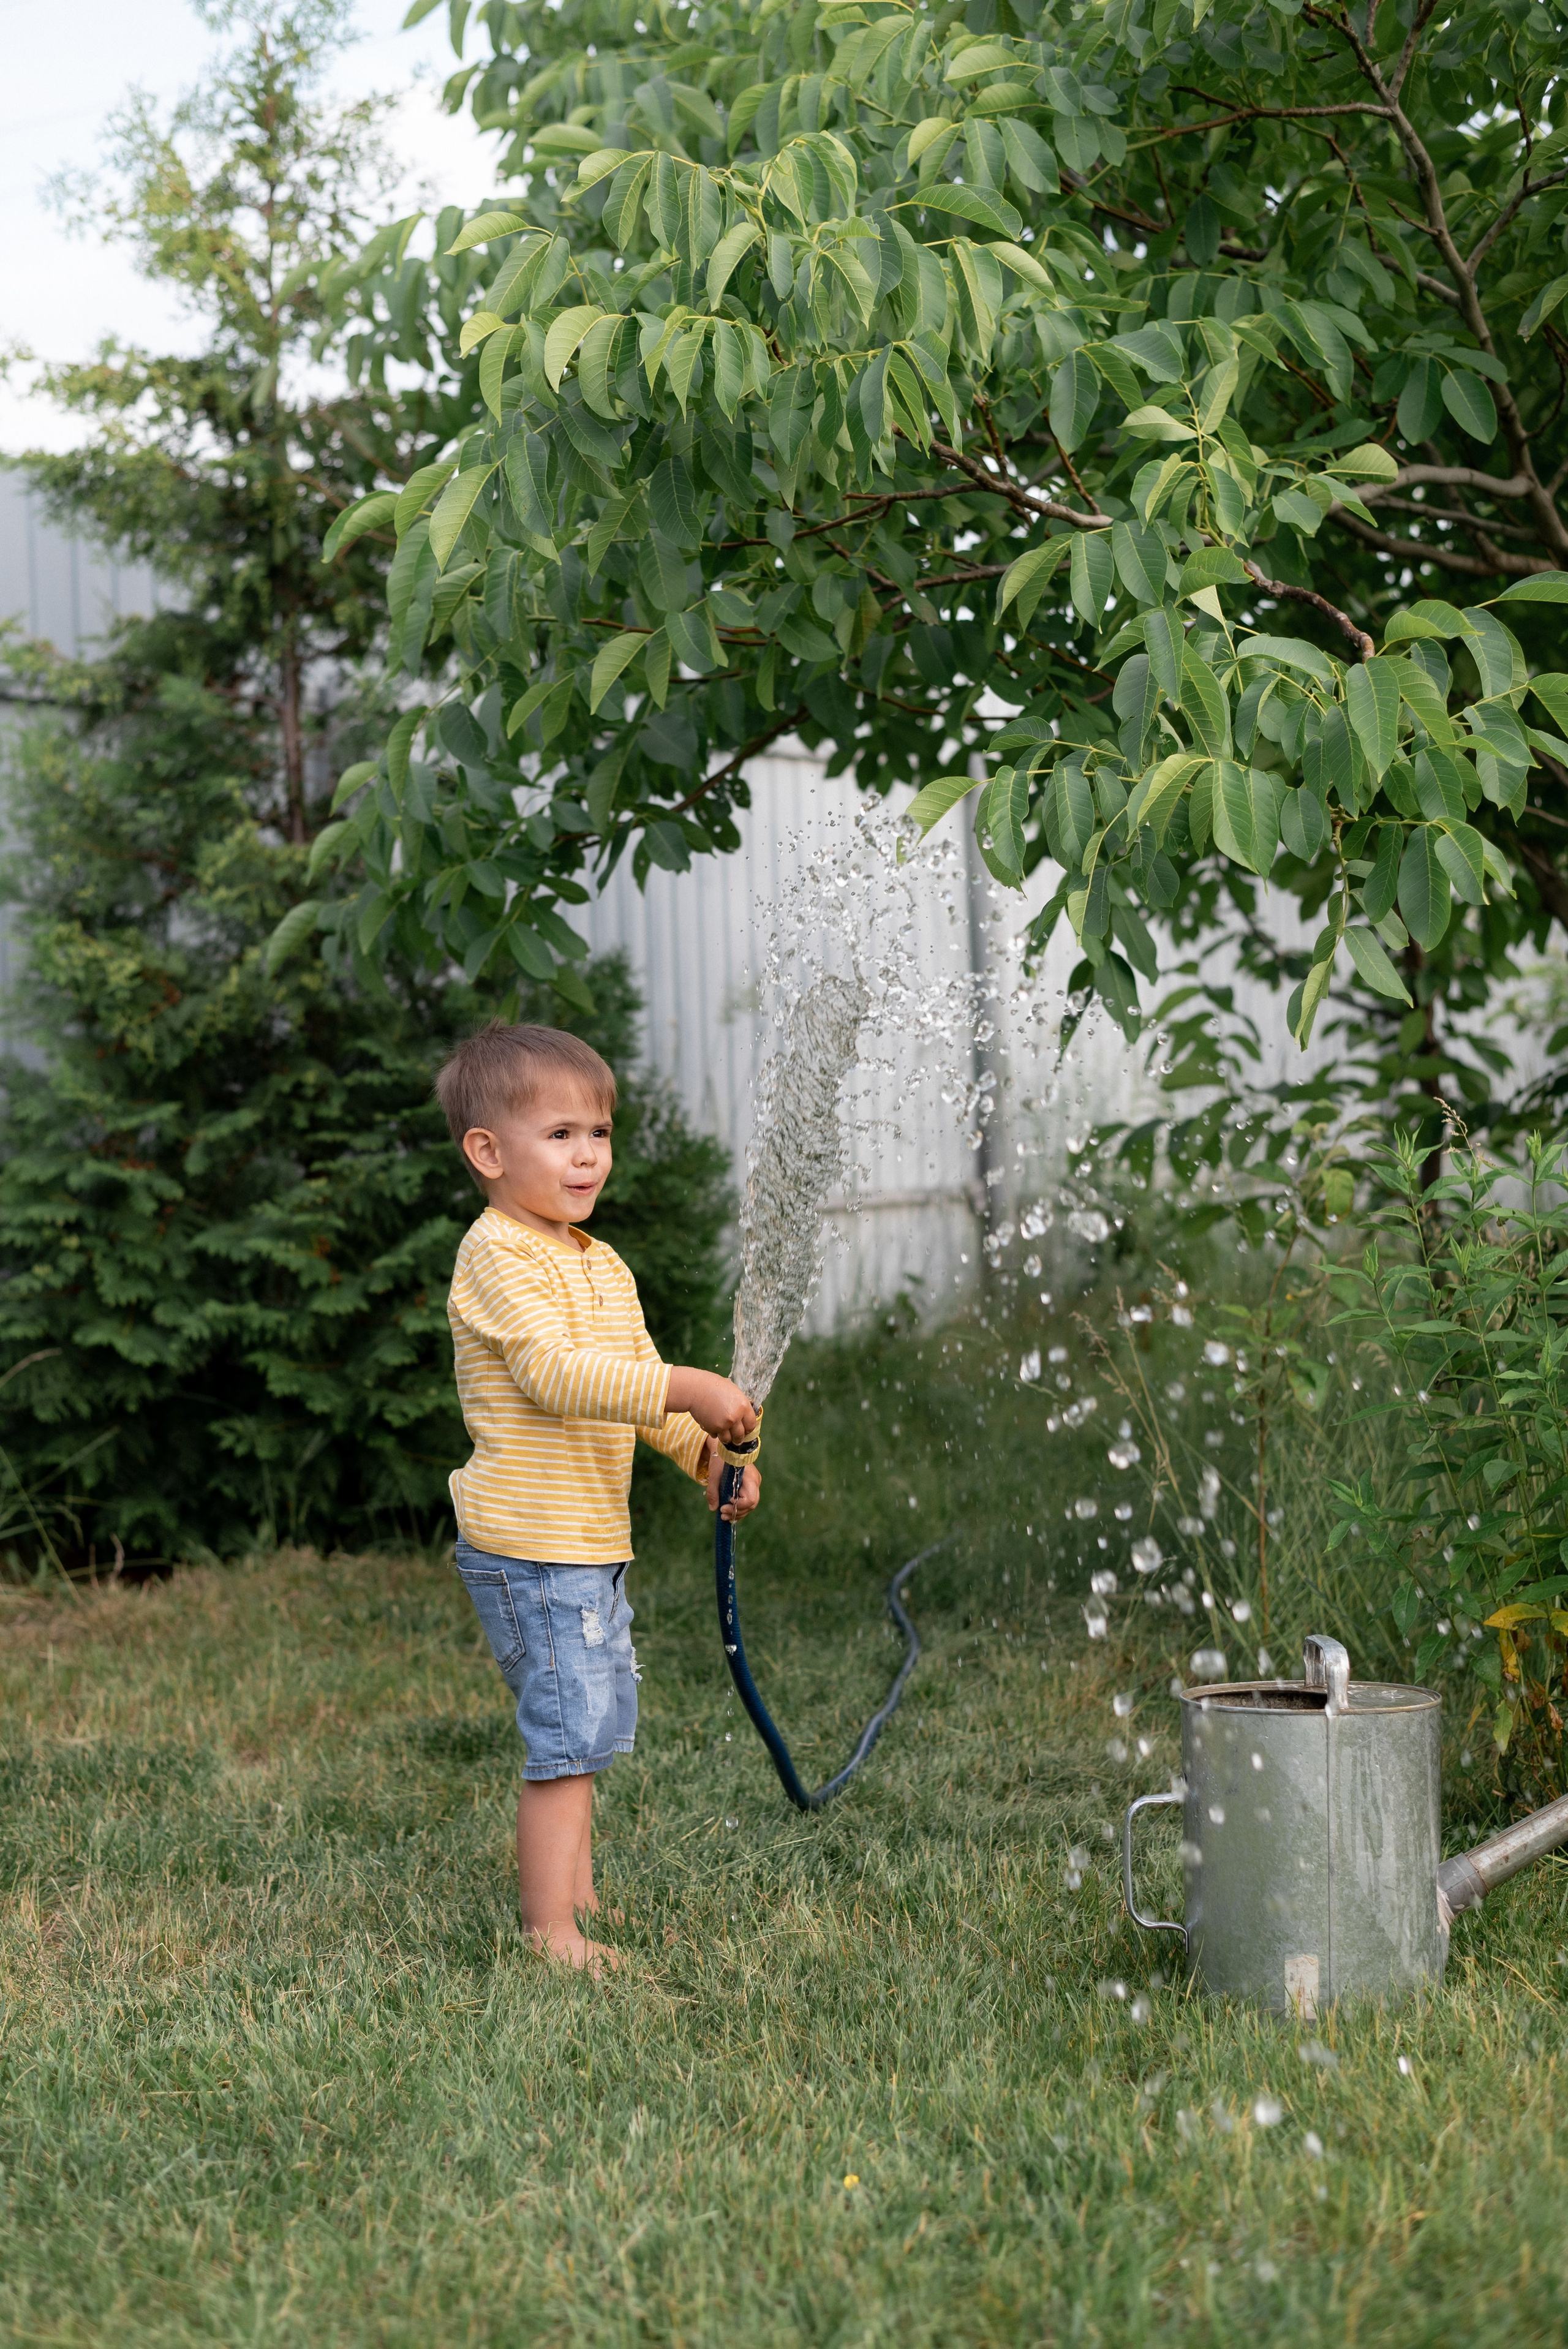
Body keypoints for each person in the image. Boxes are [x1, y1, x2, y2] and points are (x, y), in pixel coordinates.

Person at [435, 1020, 761, 1973]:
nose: (588, 1156)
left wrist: (700, 1451)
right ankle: (551, 1933)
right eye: (561, 1134)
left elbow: (632, 1380)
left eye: (600, 1134)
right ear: (489, 1153)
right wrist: (693, 1389)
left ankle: (577, 1899)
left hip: (583, 1542)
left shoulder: (598, 1262)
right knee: (566, 1740)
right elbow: (557, 1377)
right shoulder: (498, 1256)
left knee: (592, 1722)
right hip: (531, 1543)